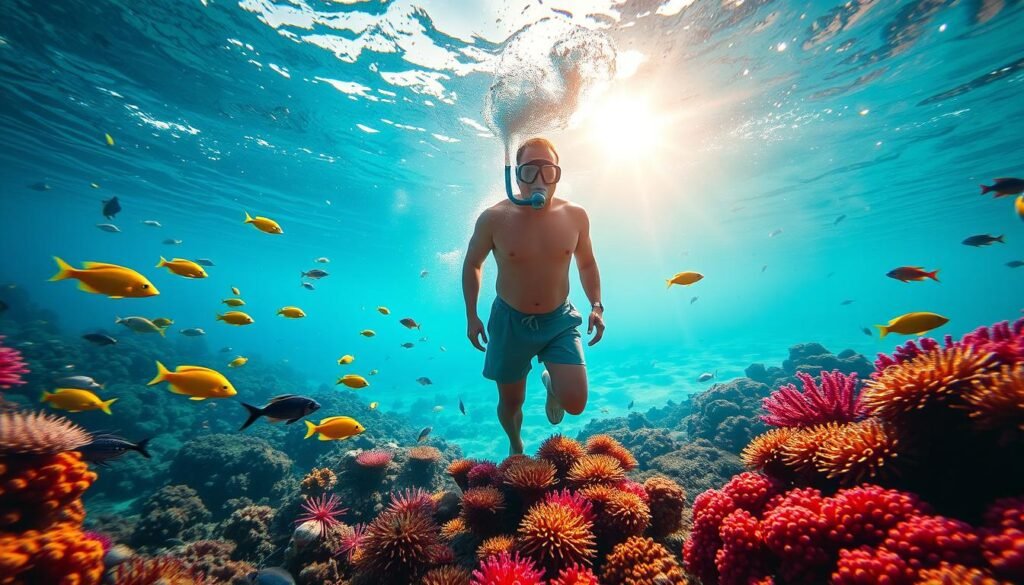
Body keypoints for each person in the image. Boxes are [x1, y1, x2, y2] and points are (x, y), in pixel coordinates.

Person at [462, 136, 605, 455]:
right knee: (511, 402)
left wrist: (596, 304)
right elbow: (473, 263)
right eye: (529, 171)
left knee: (576, 403)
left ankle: (552, 384)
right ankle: (515, 443)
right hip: (510, 322)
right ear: (515, 176)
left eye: (548, 171)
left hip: (559, 320)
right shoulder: (493, 218)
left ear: (558, 173)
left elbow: (587, 262)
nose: (539, 180)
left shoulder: (576, 215)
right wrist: (471, 315)